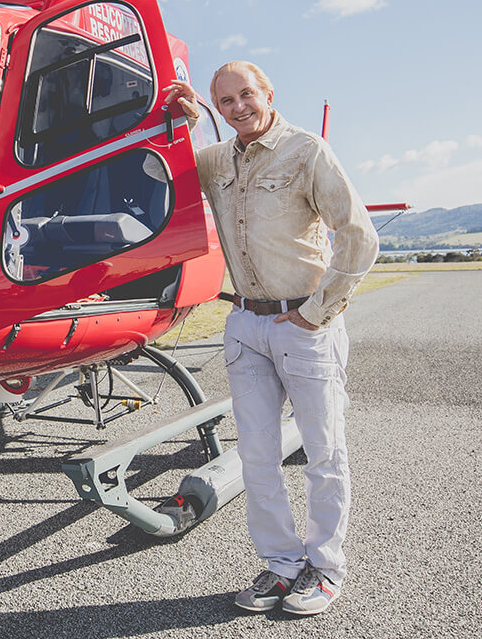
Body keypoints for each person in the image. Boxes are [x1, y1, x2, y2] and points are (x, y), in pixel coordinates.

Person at [163, 62, 378, 616]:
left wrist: (317, 312)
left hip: (304, 324)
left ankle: (326, 569)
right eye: (225, 101)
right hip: (245, 326)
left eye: (246, 95)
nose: (238, 107)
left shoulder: (306, 151)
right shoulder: (216, 160)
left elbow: (360, 237)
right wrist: (187, 116)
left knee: (324, 454)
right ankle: (281, 564)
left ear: (268, 94)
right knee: (257, 456)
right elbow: (172, 163)